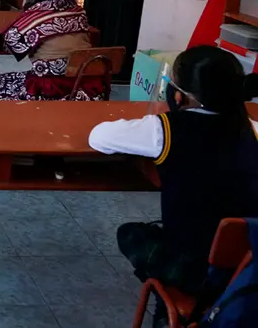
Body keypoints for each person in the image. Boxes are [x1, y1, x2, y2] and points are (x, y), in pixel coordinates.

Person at [89, 46, 258, 323]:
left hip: (194, 270)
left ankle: (168, 315)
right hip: (248, 265)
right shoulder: (252, 129)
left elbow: (99, 137)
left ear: (178, 95)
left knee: (132, 234)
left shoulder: (164, 130)